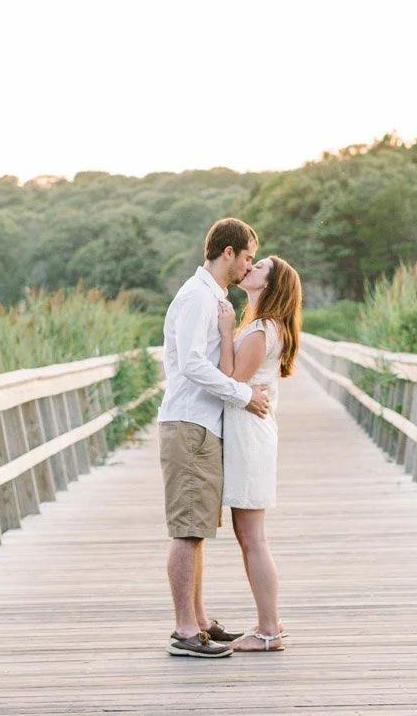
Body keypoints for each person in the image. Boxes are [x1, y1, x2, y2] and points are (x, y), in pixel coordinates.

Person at [160, 217, 272, 659]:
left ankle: (200, 621)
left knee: (198, 527)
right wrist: (243, 395)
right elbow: (191, 363)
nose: (248, 266)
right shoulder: (196, 297)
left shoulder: (213, 298)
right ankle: (185, 631)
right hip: (189, 423)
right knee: (188, 529)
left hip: (201, 426)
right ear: (228, 252)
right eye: (246, 257)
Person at [216, 254, 302, 652]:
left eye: (259, 268)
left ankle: (269, 630)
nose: (250, 269)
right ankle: (269, 625)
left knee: (253, 538)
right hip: (252, 433)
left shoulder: (261, 330)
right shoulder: (265, 327)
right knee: (250, 536)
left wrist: (224, 330)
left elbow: (231, 380)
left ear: (270, 286)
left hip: (249, 436)